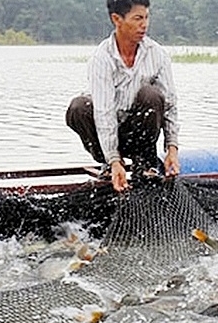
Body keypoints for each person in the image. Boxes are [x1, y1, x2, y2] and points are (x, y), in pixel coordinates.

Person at [66, 0, 180, 193]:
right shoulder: (102, 59)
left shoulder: (157, 55)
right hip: (108, 134)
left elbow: (169, 105)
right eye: (137, 19)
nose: (144, 24)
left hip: (139, 132)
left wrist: (172, 148)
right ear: (117, 19)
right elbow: (104, 113)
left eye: (146, 17)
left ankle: (144, 163)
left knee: (151, 95)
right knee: (78, 107)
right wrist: (114, 160)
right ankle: (108, 164)